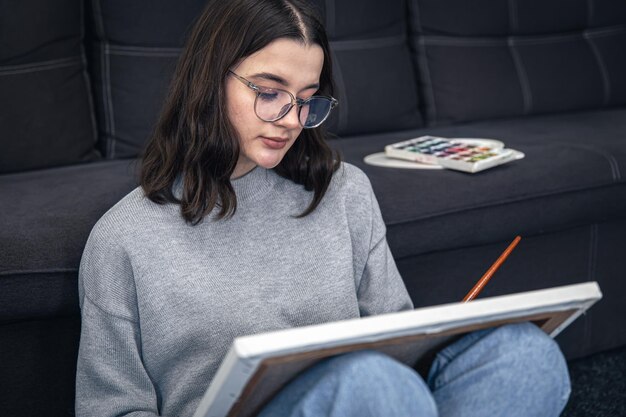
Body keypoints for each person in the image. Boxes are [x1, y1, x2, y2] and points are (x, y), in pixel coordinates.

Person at [75, 0, 571, 416]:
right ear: (209, 80)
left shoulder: (344, 191)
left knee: (525, 357)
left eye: (307, 100)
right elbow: (112, 407)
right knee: (368, 383)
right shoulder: (125, 238)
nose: (290, 120)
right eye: (269, 93)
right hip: (355, 395)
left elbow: (395, 338)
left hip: (373, 400)